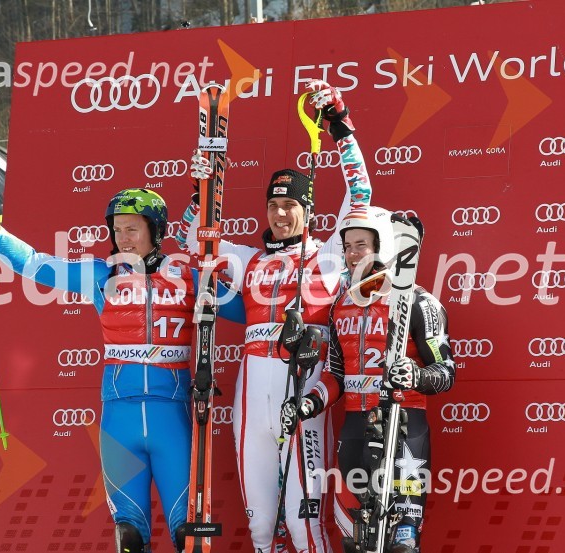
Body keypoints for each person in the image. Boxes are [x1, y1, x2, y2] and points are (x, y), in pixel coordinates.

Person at [0, 188, 245, 553]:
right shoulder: (99, 275)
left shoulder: (188, 277)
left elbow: (250, 314)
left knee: (187, 534)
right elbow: (33, 263)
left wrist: (218, 280)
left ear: (156, 231)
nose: (122, 239)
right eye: (117, 230)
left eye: (132, 229)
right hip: (118, 420)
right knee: (129, 536)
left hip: (171, 417)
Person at [177, 79, 372, 553]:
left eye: (289, 205)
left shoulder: (328, 255)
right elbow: (191, 239)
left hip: (304, 393)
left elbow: (361, 191)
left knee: (305, 527)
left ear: (306, 208)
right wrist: (200, 187)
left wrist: (339, 123)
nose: (280, 214)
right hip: (251, 398)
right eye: (273, 204)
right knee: (262, 529)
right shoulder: (248, 259)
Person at [282, 206, 456, 553]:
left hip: (404, 429)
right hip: (355, 431)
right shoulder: (339, 306)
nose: (351, 254)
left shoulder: (420, 302)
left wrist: (416, 374)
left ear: (384, 247)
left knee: (401, 544)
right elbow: (336, 375)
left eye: (361, 244)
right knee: (353, 541)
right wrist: (308, 402)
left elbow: (447, 372)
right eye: (347, 246)